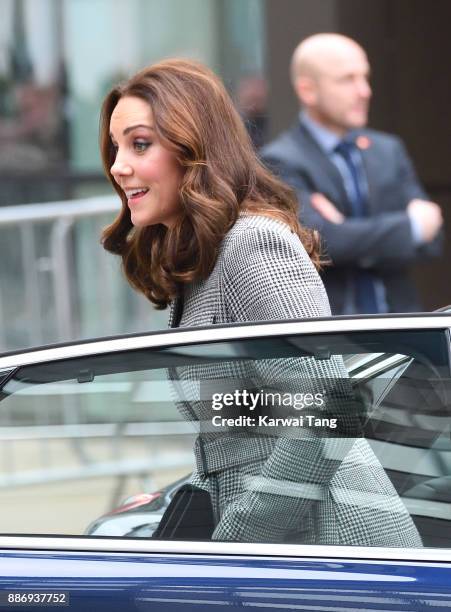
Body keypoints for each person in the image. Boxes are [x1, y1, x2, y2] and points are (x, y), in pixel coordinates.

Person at [99, 58, 421, 547]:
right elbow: (255, 418)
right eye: (116, 146)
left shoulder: (251, 242)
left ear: (194, 149)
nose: (119, 166)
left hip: (331, 541)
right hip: (284, 536)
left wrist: (237, 538)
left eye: (140, 144)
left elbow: (326, 414)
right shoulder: (202, 259)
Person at [262, 33, 443, 315]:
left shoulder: (388, 150)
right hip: (336, 338)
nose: (364, 91)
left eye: (365, 77)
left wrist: (348, 233)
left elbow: (433, 240)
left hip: (403, 331)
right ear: (307, 90)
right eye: (347, 79)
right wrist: (409, 228)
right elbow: (321, 244)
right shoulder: (281, 160)